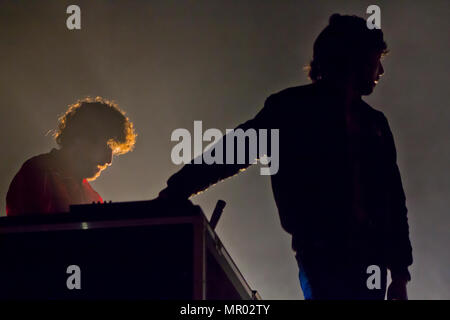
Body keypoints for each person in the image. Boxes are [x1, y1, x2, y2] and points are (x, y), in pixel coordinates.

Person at [159, 14, 413, 300]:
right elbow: (234, 151)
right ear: (356, 58)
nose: (380, 71)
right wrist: (400, 273)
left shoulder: (355, 120)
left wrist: (176, 189)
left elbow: (393, 201)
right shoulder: (296, 110)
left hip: (335, 256)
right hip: (327, 255)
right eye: (376, 59)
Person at [6, 97, 136, 216]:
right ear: (80, 138)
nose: (109, 160)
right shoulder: (38, 172)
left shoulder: (91, 196)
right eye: (104, 147)